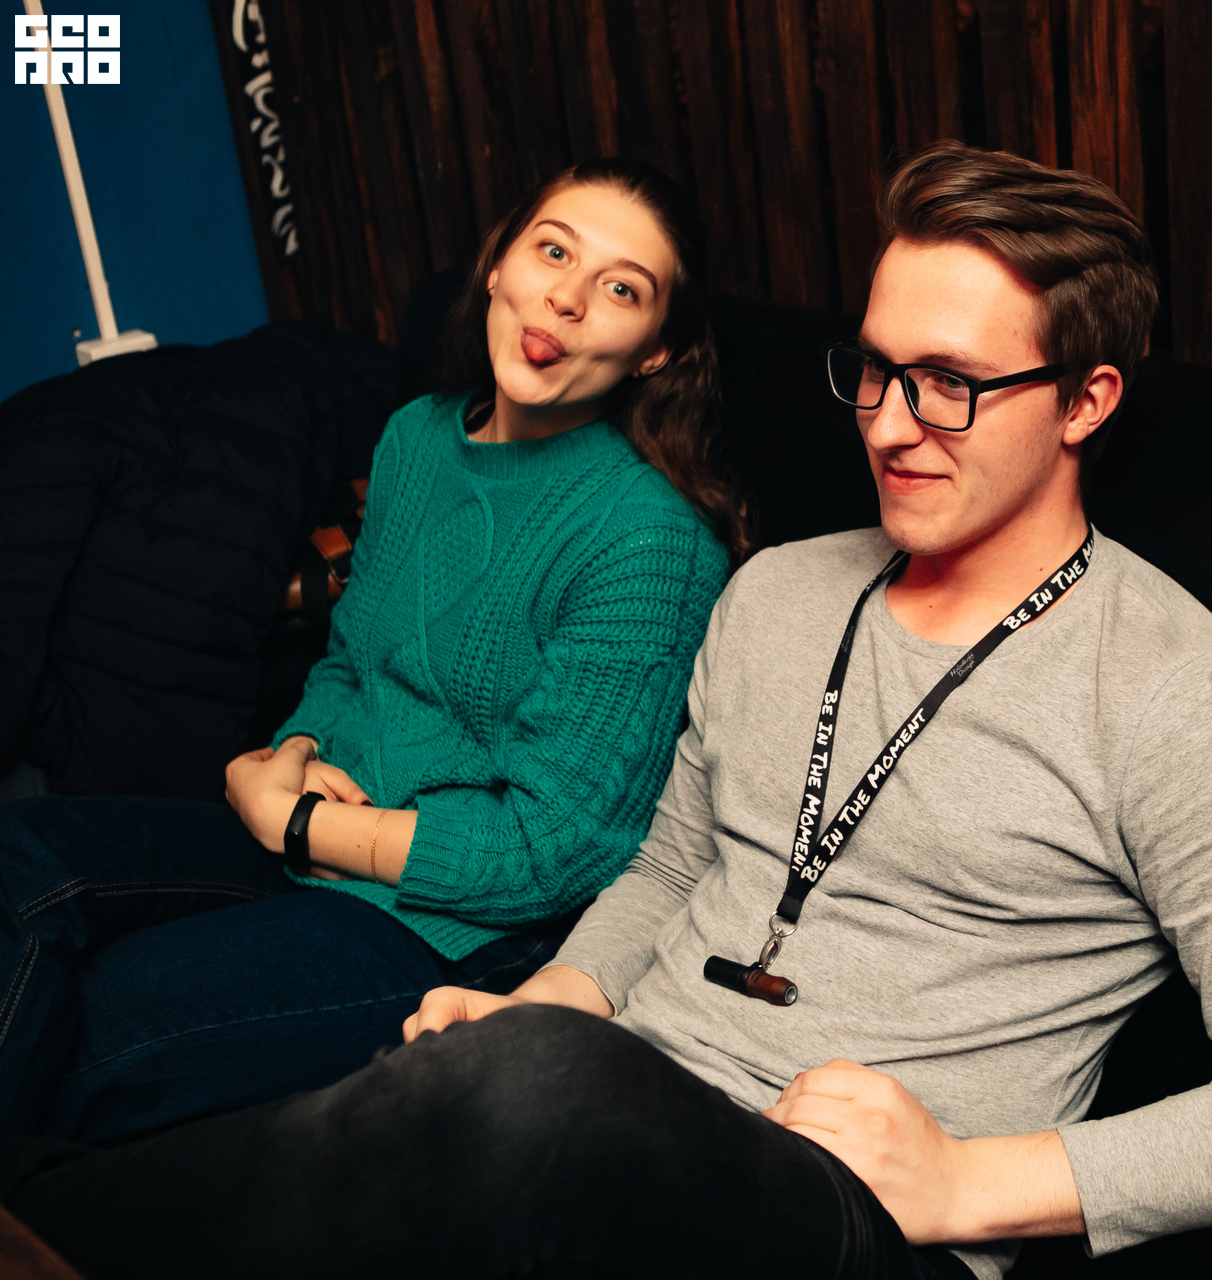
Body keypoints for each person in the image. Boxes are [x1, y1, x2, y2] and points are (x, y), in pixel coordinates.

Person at [2, 142, 1212, 1280]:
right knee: (450, 1087)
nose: (888, 423)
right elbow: (675, 865)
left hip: (847, 1214)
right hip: (621, 1103)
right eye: (874, 368)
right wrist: (557, 995)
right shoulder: (782, 592)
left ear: (1086, 402)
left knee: (532, 1091)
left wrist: (969, 1179)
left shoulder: (1165, 689)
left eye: (950, 385)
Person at [0, 157, 742, 1144]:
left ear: (655, 352)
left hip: (451, 926)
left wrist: (295, 822)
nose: (566, 297)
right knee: (21, 855)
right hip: (309, 835)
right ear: (499, 264)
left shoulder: (650, 540)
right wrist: (292, 752)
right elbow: (349, 661)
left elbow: (554, 848)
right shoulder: (416, 438)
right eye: (554, 251)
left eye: (620, 289)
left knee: (92, 1029)